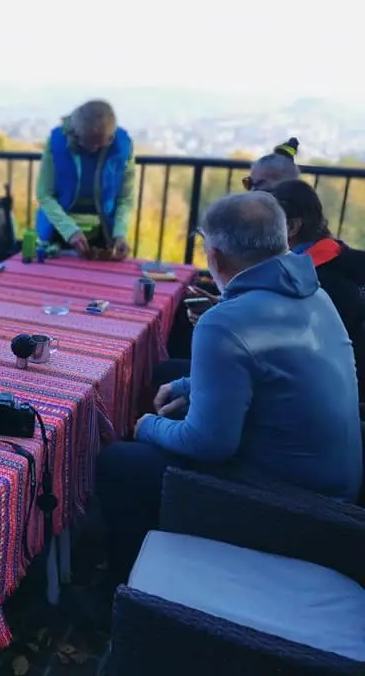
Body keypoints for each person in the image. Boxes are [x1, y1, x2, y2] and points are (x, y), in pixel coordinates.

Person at [98, 191, 362, 589]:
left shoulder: (225, 322)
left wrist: (145, 425)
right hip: (336, 487)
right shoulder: (313, 292)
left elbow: (208, 444)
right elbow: (268, 368)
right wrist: (187, 384)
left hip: (295, 506)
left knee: (119, 462)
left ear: (216, 258)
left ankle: (124, 591)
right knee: (170, 384)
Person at [164, 137, 304, 360]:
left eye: (260, 185)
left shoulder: (297, 252)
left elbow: (274, 325)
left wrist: (223, 315)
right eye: (249, 183)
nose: (251, 192)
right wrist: (221, 305)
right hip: (251, 335)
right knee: (184, 306)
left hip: (259, 362)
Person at [270, 178, 365, 401]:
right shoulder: (350, 259)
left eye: (265, 225)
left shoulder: (308, 282)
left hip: (323, 392)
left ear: (292, 227)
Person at [35, 100, 136, 261]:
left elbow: (125, 198)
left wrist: (120, 233)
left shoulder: (124, 146)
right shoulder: (57, 141)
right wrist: (70, 231)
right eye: (89, 143)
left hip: (103, 234)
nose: (94, 150)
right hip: (59, 231)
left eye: (100, 145)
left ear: (111, 137)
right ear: (76, 133)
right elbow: (45, 194)